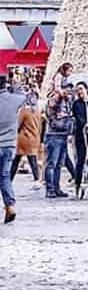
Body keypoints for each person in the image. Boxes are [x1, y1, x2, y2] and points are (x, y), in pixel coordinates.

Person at [0, 74, 26, 223]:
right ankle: (10, 205)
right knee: (4, 176)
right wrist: (15, 86)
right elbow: (23, 95)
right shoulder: (15, 99)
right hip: (9, 144)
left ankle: (9, 206)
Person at [44, 83, 74, 198]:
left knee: (59, 164)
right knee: (52, 163)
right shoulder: (54, 99)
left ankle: (56, 188)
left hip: (63, 135)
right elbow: (52, 105)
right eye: (67, 91)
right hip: (53, 135)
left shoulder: (68, 102)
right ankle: (50, 189)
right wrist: (60, 96)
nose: (69, 94)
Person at [12, 93, 42, 189]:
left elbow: (18, 124)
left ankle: (9, 179)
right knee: (33, 160)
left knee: (16, 160)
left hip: (24, 138)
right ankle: (37, 179)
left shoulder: (24, 111)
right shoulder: (38, 111)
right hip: (34, 138)